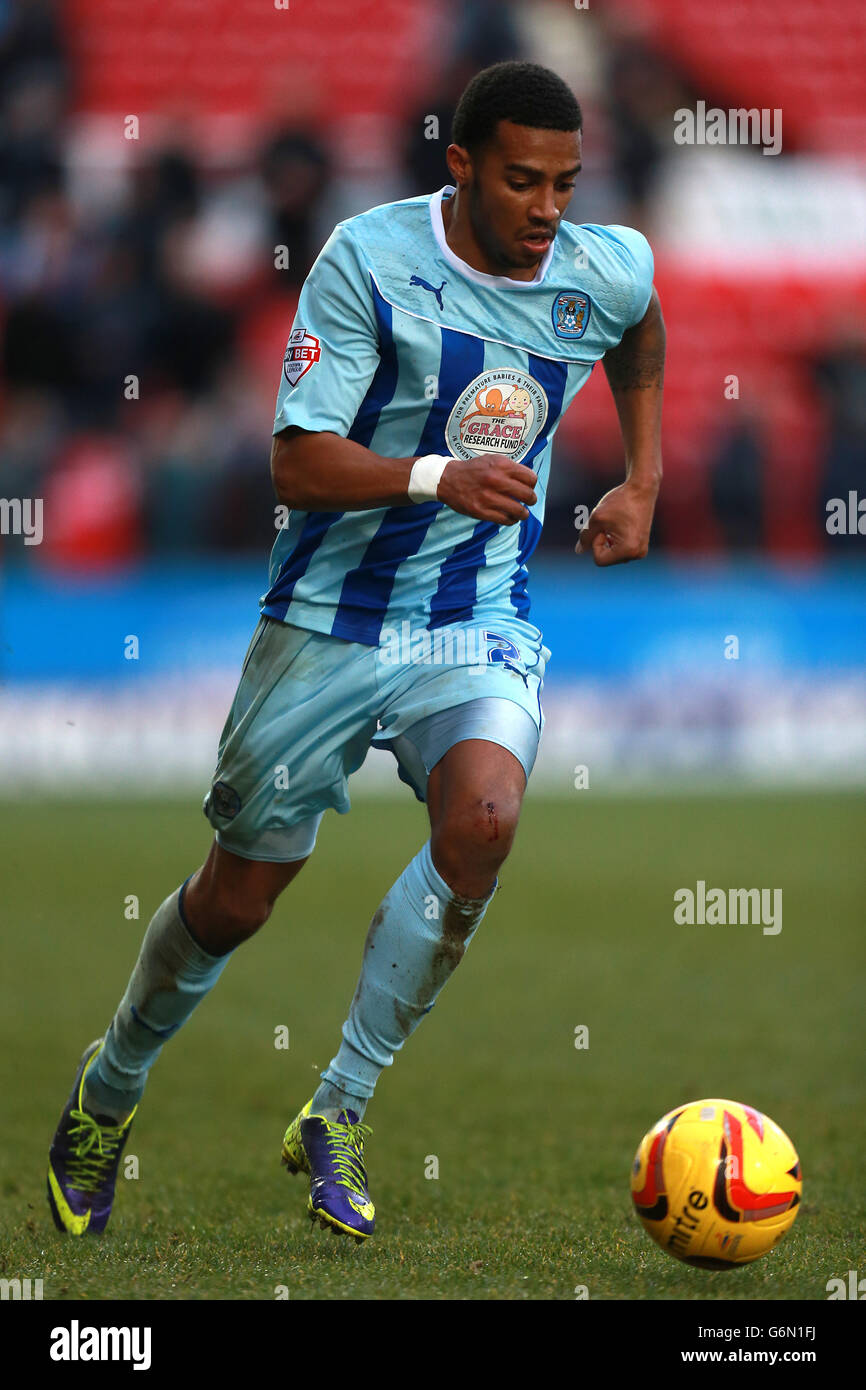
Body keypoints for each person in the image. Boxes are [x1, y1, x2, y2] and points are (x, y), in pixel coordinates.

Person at [47, 61, 665, 1243]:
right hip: (327, 623)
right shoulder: (367, 261)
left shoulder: (603, 266)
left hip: (475, 614)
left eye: (565, 185)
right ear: (461, 165)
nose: (547, 209)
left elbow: (640, 329)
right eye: (523, 182)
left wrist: (642, 481)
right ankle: (108, 1089)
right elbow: (294, 462)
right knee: (240, 896)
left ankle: (337, 1107)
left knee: (483, 819)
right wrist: (439, 474)